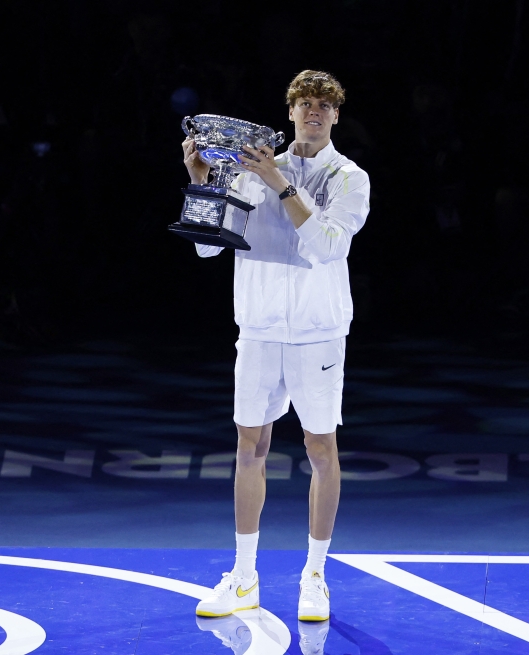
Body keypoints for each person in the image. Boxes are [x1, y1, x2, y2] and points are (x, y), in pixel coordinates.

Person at [182, 70, 370, 622]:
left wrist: (281, 185)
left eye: (324, 106)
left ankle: (315, 576)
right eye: (305, 103)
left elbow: (329, 247)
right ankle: (244, 578)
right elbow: (206, 251)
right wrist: (203, 183)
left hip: (318, 334)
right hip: (260, 329)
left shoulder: (349, 177)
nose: (314, 112)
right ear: (290, 112)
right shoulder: (249, 170)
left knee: (321, 450)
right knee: (250, 448)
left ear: (336, 116)